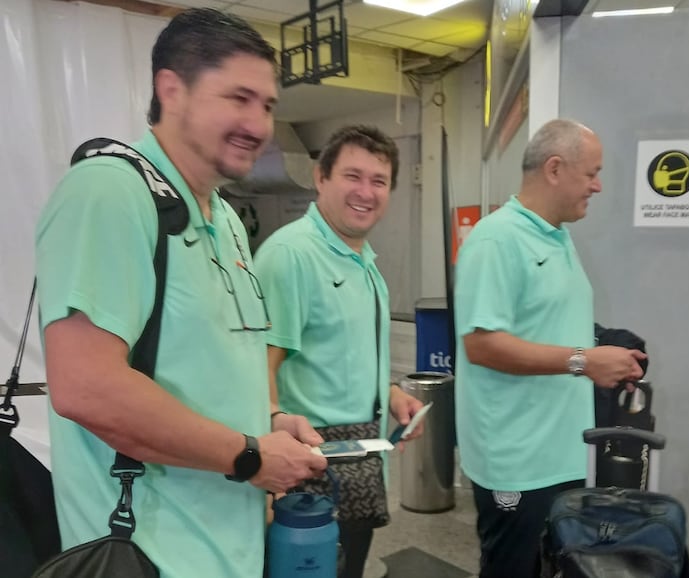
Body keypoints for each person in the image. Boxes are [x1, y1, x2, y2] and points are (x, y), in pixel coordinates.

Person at [35, 8, 326, 578]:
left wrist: (268, 418)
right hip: (147, 555)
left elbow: (207, 366)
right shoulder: (109, 192)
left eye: (267, 105)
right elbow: (87, 388)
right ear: (172, 89)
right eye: (238, 98)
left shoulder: (226, 218)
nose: (259, 124)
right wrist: (248, 456)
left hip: (228, 548)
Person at [453, 119, 647, 577]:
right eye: (591, 173)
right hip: (517, 462)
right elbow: (481, 345)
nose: (598, 186)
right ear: (555, 168)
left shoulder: (557, 235)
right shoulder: (496, 239)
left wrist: (607, 350)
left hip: (561, 452)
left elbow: (544, 322)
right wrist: (584, 362)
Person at [252, 125, 424, 578]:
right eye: (353, 176)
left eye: (379, 180)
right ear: (320, 177)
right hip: (308, 471)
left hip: (360, 460)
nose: (366, 192)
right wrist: (270, 479)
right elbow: (256, 370)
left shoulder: (363, 261)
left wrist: (389, 392)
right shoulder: (291, 255)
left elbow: (340, 349)